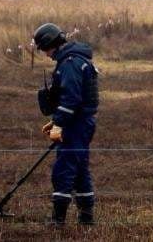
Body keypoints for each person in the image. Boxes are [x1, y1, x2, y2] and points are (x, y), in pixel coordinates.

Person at [33, 23, 99, 226]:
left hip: (76, 125)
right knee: (79, 169)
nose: (45, 54)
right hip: (80, 122)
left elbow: (71, 99)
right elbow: (73, 101)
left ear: (50, 43)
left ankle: (58, 219)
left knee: (64, 168)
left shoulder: (70, 63)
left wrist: (59, 124)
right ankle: (86, 218)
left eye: (44, 49)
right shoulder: (75, 60)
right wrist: (55, 121)